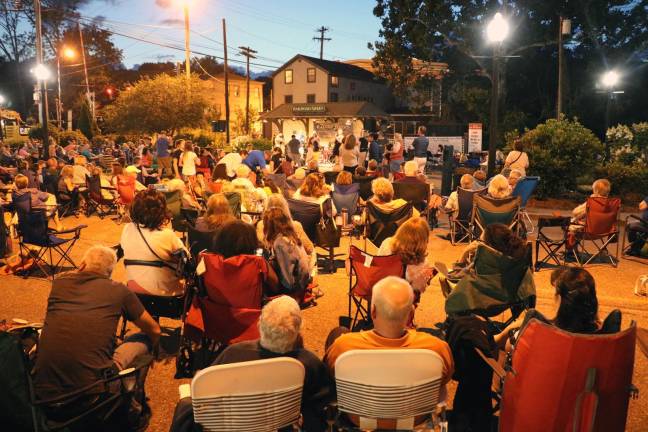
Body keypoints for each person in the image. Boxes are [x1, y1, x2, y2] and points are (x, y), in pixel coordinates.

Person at [170, 296, 330, 432]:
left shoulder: (233, 354)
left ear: (260, 324)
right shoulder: (308, 363)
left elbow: (205, 393)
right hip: (282, 425)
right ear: (298, 331)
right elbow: (323, 402)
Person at [33, 246, 160, 402]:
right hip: (91, 393)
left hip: (44, 393)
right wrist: (155, 349)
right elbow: (154, 329)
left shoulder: (59, 283)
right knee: (144, 338)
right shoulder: (118, 290)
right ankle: (133, 404)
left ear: (82, 265)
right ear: (109, 273)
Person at [323, 276, 454, 382]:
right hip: (415, 414)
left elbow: (330, 375)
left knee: (339, 331)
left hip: (358, 414)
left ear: (373, 311)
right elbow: (444, 379)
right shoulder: (437, 349)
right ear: (411, 315)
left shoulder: (343, 347)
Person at [120, 189, 187, 296]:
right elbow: (185, 259)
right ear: (161, 212)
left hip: (134, 291)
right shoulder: (167, 235)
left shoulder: (127, 229)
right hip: (165, 294)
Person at [378, 217, 435, 295]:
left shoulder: (386, 243)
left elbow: (377, 266)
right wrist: (425, 279)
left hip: (380, 290)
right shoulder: (423, 262)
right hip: (402, 298)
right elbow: (419, 289)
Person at [263, 207, 312, 295]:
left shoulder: (280, 242)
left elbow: (287, 277)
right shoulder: (290, 236)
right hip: (302, 280)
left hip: (293, 287)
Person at [257, 194, 314, 258]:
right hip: (290, 265)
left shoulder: (261, 225)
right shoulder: (295, 226)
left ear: (266, 208)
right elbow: (310, 249)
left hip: (267, 264)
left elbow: (259, 249)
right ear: (286, 208)